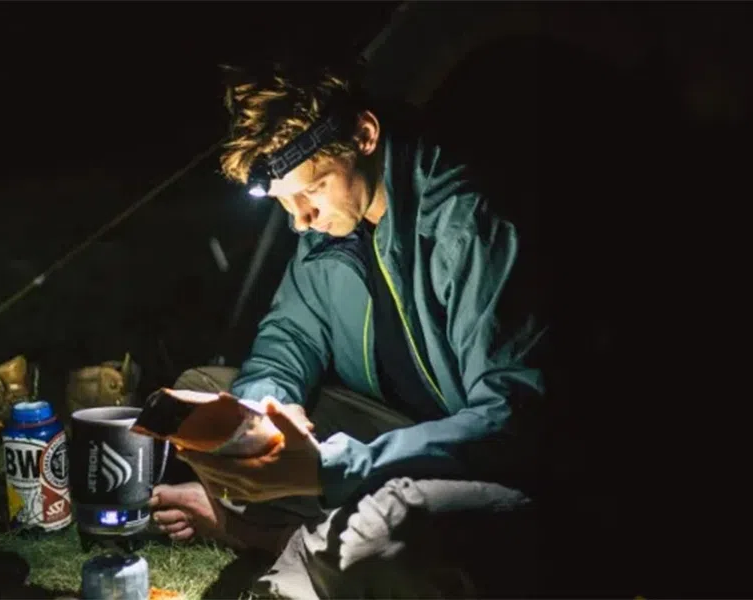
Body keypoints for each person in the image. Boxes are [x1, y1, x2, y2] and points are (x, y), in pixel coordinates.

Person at [149, 62, 548, 598]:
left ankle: (283, 541)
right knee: (207, 396)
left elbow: (511, 419)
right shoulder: (329, 232)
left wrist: (330, 468)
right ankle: (309, 535)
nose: (299, 220)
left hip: (504, 470)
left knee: (380, 531)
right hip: (394, 434)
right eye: (285, 204)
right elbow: (285, 343)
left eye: (309, 192)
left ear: (363, 136)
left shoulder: (469, 224)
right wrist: (262, 418)